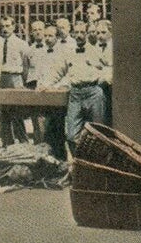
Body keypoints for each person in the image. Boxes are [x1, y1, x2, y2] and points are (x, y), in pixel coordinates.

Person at [49, 19, 108, 154]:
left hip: (94, 93)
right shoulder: (68, 52)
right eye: (76, 32)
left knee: (98, 132)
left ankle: (95, 162)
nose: (79, 35)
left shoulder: (96, 50)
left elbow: (109, 67)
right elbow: (57, 71)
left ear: (87, 34)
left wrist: (102, 79)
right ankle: (79, 160)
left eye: (82, 32)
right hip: (75, 95)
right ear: (73, 34)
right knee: (71, 134)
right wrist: (46, 85)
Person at [31, 22, 70, 152]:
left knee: (57, 127)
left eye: (50, 36)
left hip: (57, 95)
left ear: (57, 37)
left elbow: (69, 74)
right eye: (46, 36)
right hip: (43, 94)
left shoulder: (65, 52)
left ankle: (59, 156)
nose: (47, 38)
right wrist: (40, 85)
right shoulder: (41, 52)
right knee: (43, 129)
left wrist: (57, 87)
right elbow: (39, 73)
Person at [0, 17, 32, 146]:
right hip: (1, 78)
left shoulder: (21, 44)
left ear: (14, 27)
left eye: (8, 26)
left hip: (15, 78)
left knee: (17, 112)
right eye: (3, 26)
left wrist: (24, 83)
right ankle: (6, 143)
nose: (5, 29)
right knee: (2, 113)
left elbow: (26, 65)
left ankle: (23, 142)